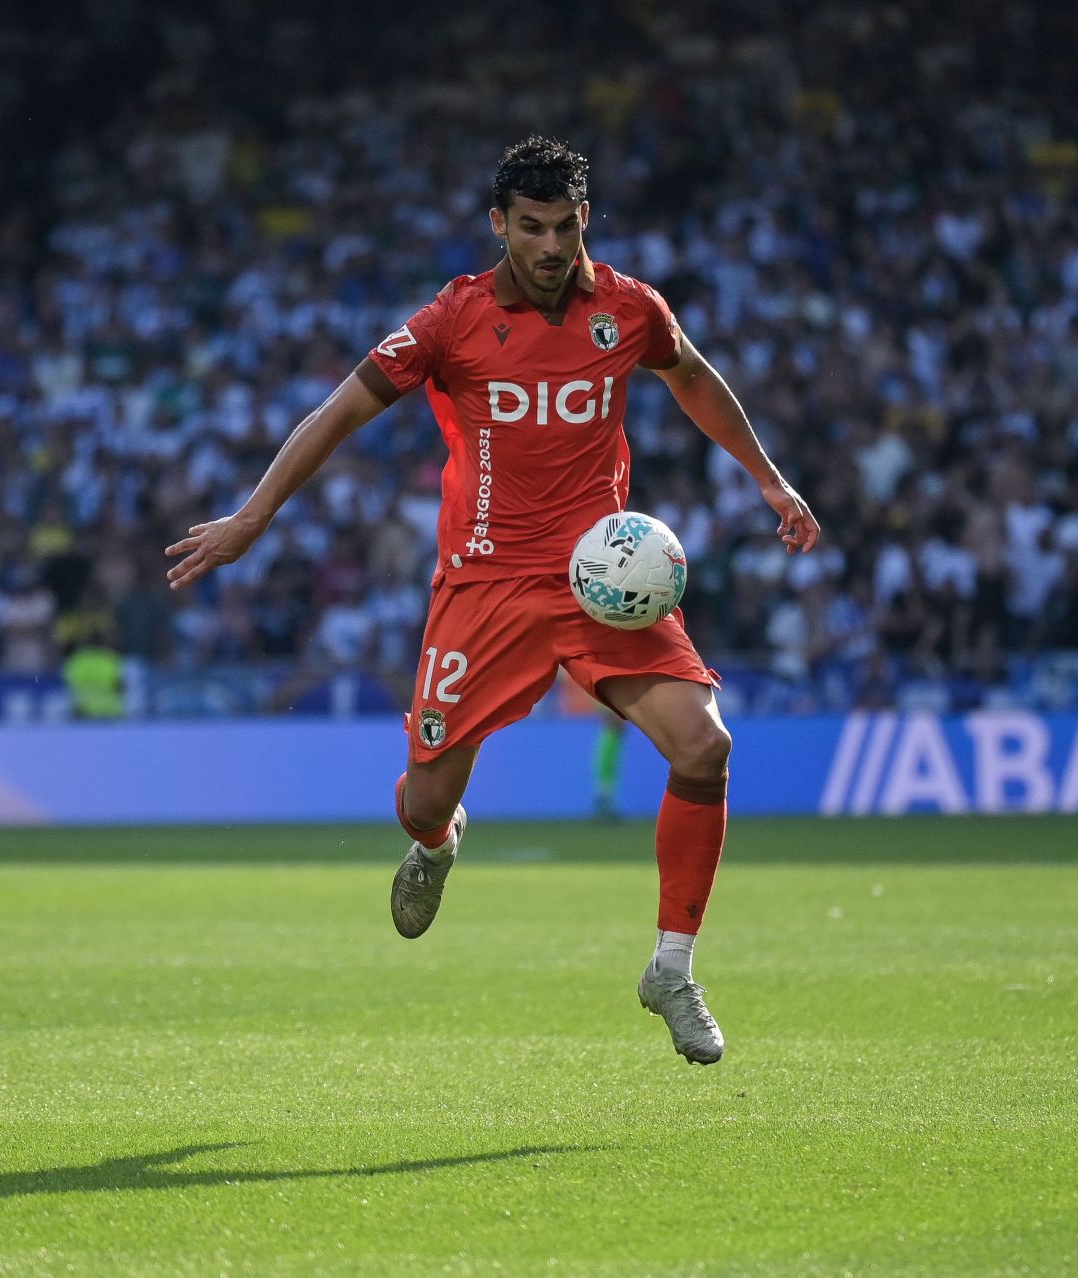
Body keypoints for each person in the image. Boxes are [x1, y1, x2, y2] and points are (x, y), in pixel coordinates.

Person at [166, 138, 820, 1065]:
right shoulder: (453, 320)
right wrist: (254, 515)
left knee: (706, 745)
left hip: (601, 579)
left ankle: (672, 966)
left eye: (564, 226)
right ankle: (436, 845)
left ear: (584, 219)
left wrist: (772, 482)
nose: (551, 247)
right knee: (424, 797)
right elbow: (341, 412)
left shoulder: (630, 309)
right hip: (484, 584)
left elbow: (694, 380)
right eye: (531, 228)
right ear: (499, 226)